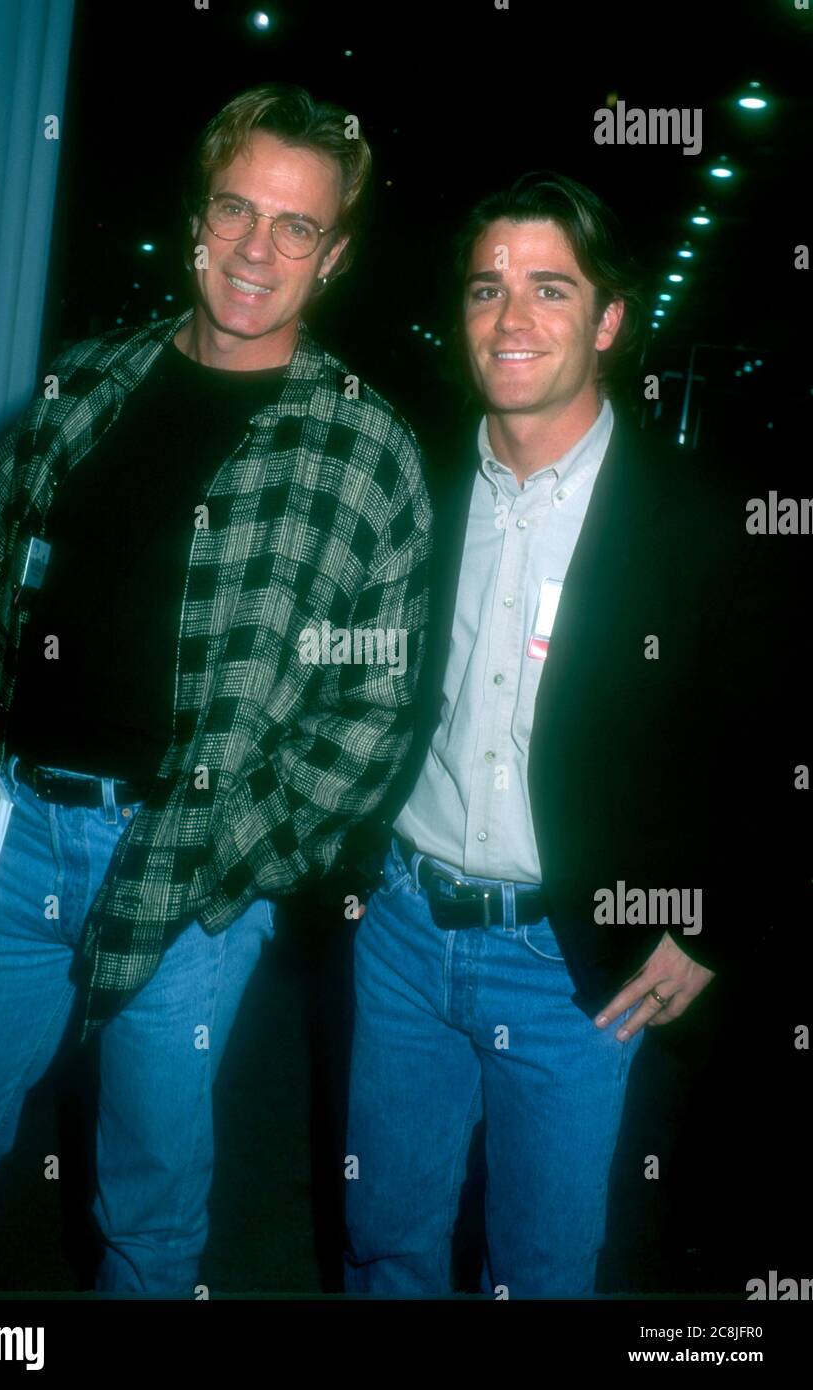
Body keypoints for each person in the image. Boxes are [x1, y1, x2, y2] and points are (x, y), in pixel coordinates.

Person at [0, 83, 431, 1294]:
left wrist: (232, 856)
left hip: (198, 865)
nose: (255, 249)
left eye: (294, 227)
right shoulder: (81, 387)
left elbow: (374, 712)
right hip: (15, 836)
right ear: (196, 218)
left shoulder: (367, 450)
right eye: (235, 209)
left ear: (333, 256)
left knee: (151, 1206)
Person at [341, 170, 773, 1298]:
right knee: (386, 1246)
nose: (511, 320)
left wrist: (709, 924)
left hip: (572, 964)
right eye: (486, 290)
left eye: (548, 289)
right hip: (399, 928)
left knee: (537, 1274)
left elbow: (771, 753)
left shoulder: (698, 520)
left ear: (610, 319)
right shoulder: (415, 488)